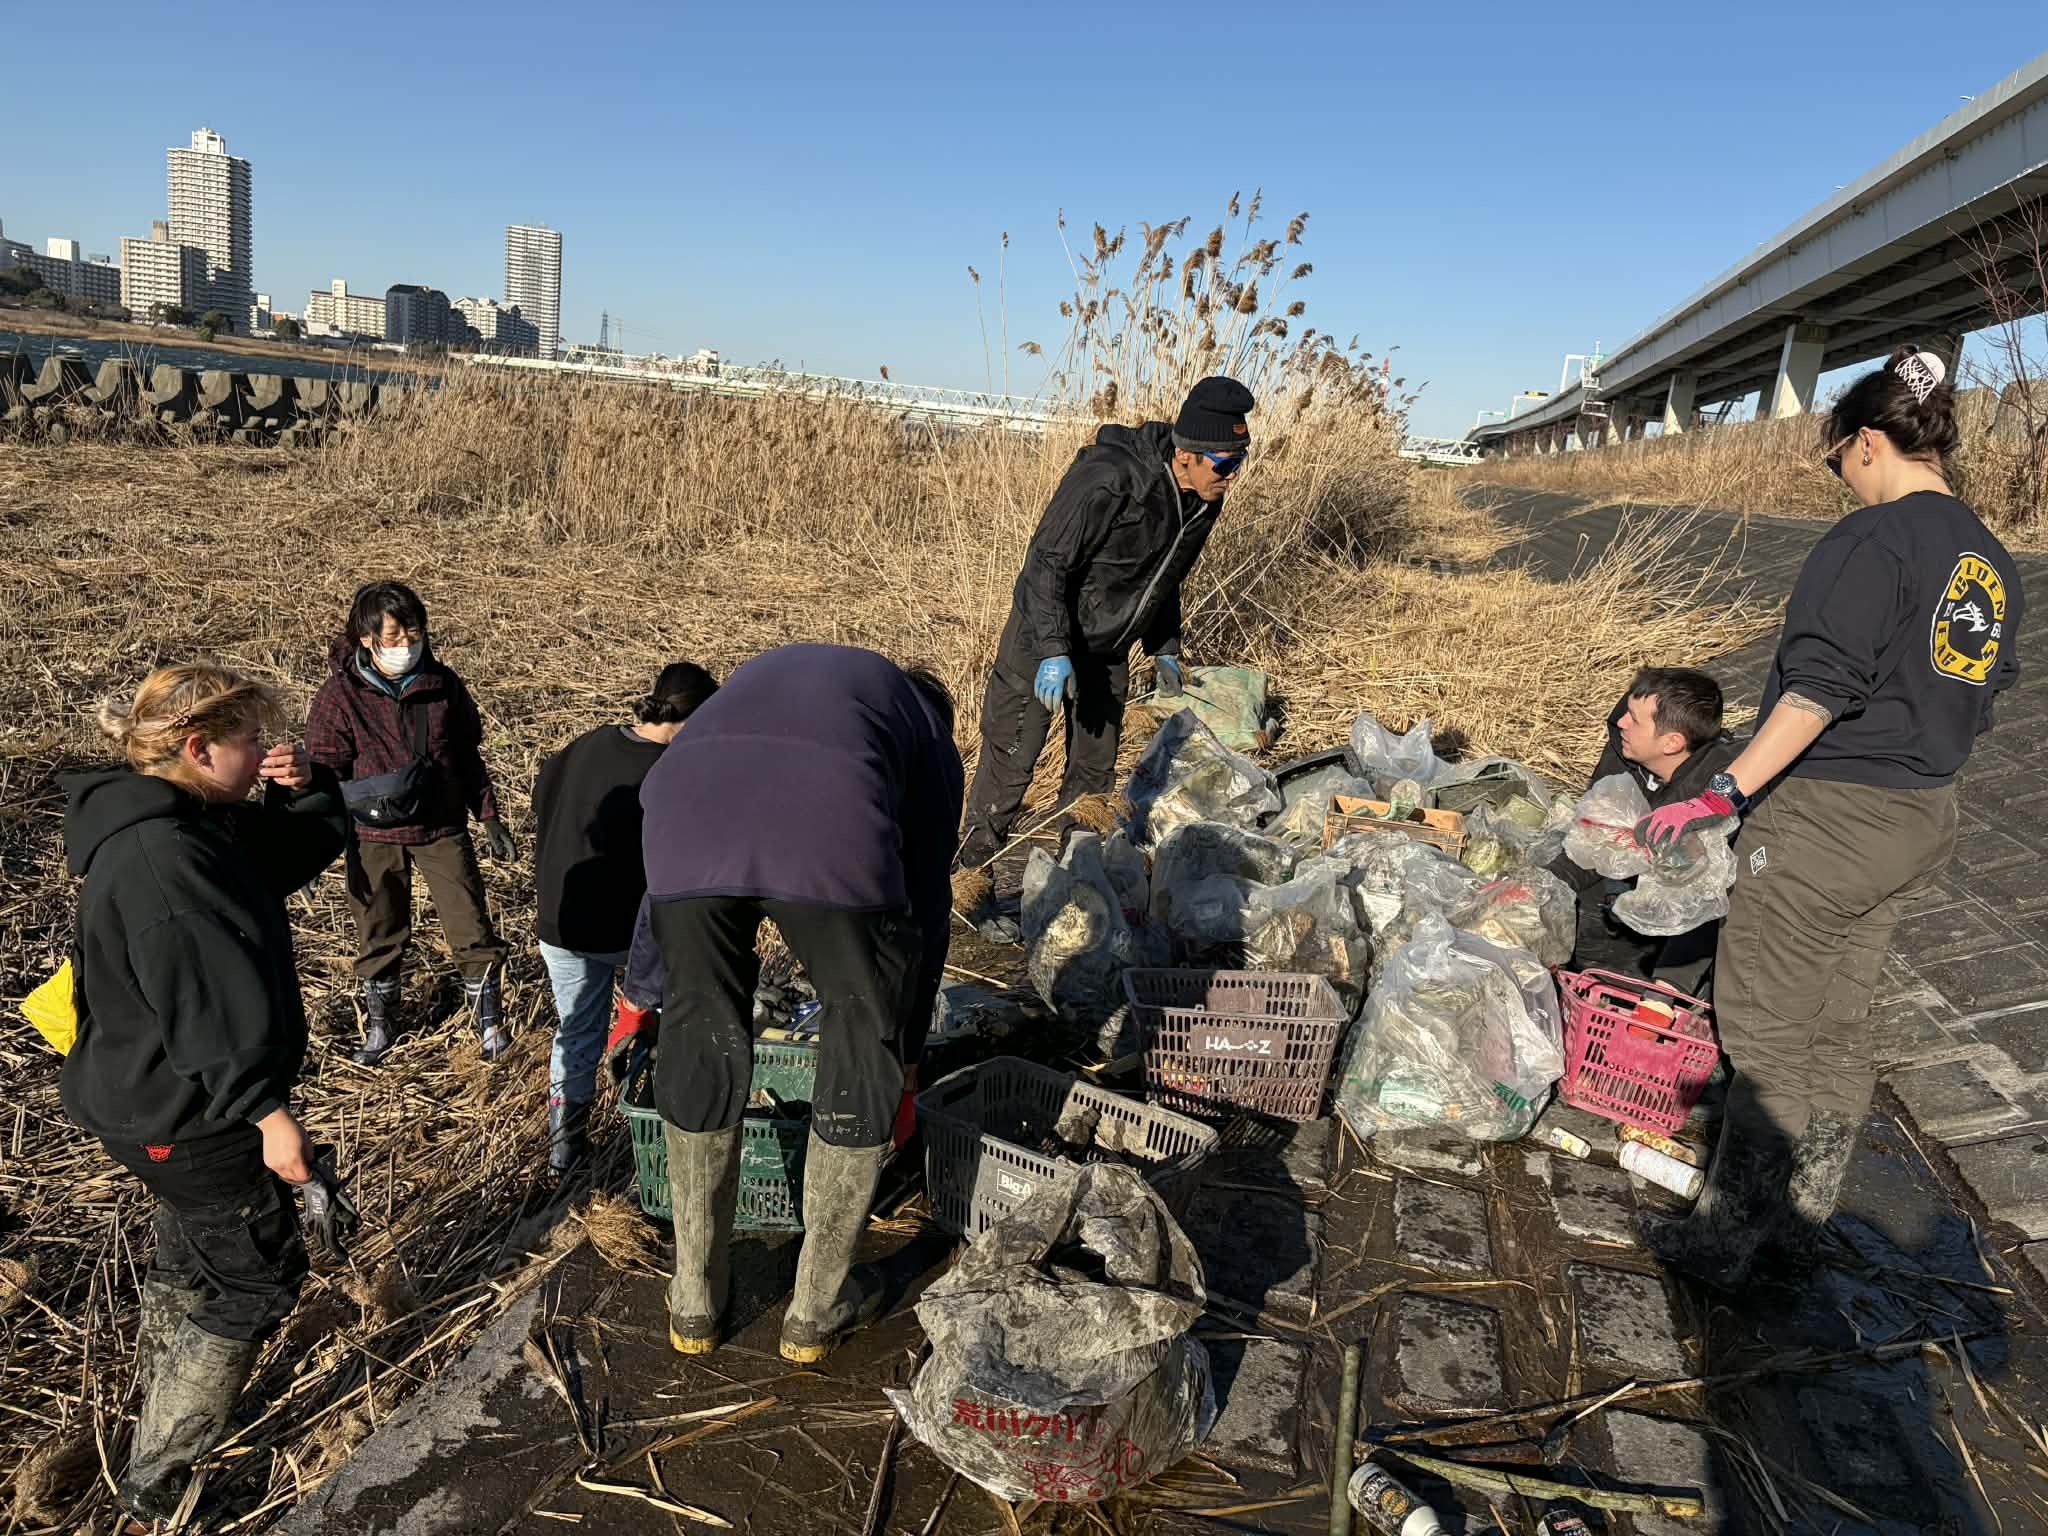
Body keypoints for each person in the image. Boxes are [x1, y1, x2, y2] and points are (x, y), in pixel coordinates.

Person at [1634, 347, 2025, 1286]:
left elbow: (1816, 691)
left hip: (1828, 820)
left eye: (1837, 455)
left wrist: (1720, 795)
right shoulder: (1988, 556)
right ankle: (1802, 1222)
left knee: (1767, 1031)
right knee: (1839, 1025)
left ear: (1868, 443)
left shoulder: (1873, 541)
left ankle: (1722, 1243)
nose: (1839, 474)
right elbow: (1987, 688)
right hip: (1920, 815)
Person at [59, 664, 349, 1520]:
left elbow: (283, 857)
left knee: (193, 1255)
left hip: (151, 1101)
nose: (264, 750)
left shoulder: (183, 819)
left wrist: (302, 790)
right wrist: (269, 1115)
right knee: (259, 1279)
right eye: (251, 740)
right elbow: (206, 1007)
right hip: (190, 1115)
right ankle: (159, 1474)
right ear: (198, 748)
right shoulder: (168, 859)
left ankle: (158, 1408)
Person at [637, 644, 962, 1363]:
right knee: (860, 1031)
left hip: (680, 813)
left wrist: (644, 989)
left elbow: (667, 888)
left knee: (700, 1029)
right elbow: (926, 905)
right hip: (828, 830)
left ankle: (694, 1300)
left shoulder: (783, 683)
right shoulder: (927, 735)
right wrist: (904, 1052)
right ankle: (815, 1309)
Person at [955, 376, 1256, 869]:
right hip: (1043, 638)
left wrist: (1164, 645)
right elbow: (1045, 564)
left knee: (1094, 775)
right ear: (1186, 454)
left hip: (1107, 647)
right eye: (1225, 463)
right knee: (1011, 763)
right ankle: (972, 878)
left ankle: (1080, 875)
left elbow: (1165, 573)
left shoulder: (1204, 499)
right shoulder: (1110, 478)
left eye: (1240, 461)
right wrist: (1053, 650)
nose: (1233, 476)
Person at [307, 581, 516, 1065]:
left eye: (414, 632)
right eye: (394, 635)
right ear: (366, 638)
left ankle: (489, 1026)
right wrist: (312, 846)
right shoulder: (339, 697)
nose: (406, 644)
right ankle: (380, 1027)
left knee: (471, 925)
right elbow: (323, 776)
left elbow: (467, 755)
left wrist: (488, 816)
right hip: (371, 833)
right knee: (378, 929)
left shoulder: (443, 686)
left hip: (441, 826)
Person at [531, 661, 719, 1178]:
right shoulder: (670, 774)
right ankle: (654, 1136)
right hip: (623, 931)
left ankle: (565, 1150)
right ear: (694, 719)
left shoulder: (587, 743)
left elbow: (542, 800)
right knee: (665, 1021)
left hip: (560, 921)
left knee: (577, 1031)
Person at [1554, 667, 1739, 992]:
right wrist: (1539, 887)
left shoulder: (1711, 797)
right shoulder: (1627, 756)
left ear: (1672, 743)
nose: (1622, 723)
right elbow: (1594, 842)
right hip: (1622, 896)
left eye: (1635, 720)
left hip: (1682, 934)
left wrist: (1664, 993)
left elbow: (1701, 906)